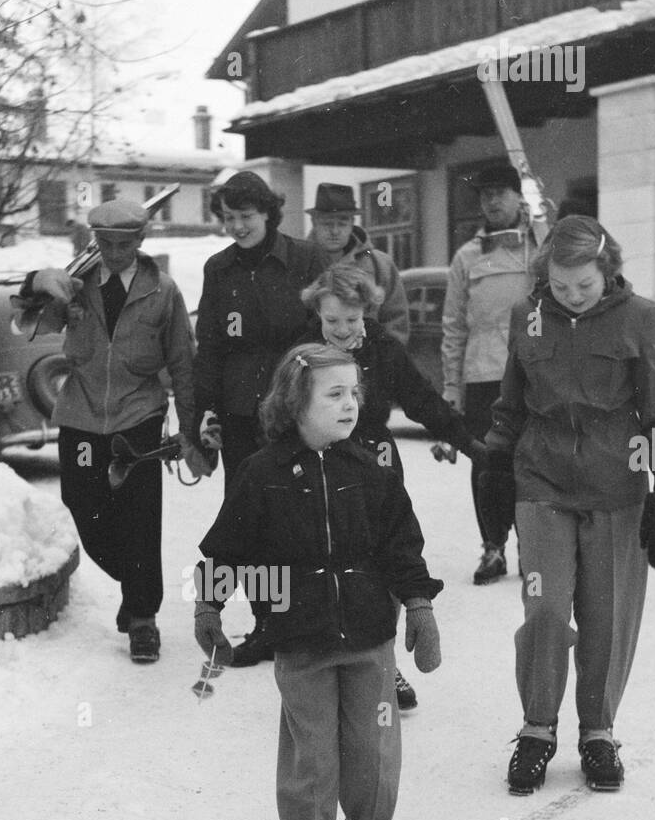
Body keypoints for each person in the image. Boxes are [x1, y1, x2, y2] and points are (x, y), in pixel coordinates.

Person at [194, 344, 444, 820]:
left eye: (354, 392)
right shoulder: (263, 473)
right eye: (334, 394)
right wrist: (209, 604)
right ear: (295, 402)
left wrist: (419, 606)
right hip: (302, 640)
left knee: (373, 749)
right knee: (313, 753)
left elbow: (403, 545)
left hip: (368, 639)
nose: (350, 404)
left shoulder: (371, 470)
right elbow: (228, 547)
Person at [481, 217, 655, 796]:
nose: (570, 297)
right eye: (560, 286)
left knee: (607, 614)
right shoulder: (529, 314)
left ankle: (597, 731)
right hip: (541, 482)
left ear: (608, 271)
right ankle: (537, 729)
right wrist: (496, 463)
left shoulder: (641, 317)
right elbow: (510, 400)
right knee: (545, 607)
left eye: (583, 286)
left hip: (617, 487)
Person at [19, 198, 206, 664]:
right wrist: (38, 281)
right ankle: (137, 584)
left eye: (124, 243)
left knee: (140, 518)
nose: (114, 251)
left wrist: (189, 429)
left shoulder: (163, 292)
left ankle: (143, 619)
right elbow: (23, 321)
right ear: (93, 240)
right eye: (105, 242)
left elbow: (183, 363)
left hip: (138, 419)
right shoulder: (75, 286)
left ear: (141, 241)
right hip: (81, 418)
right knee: (84, 507)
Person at [299, 263, 477, 711]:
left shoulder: (382, 347)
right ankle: (327, 661)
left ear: (367, 311)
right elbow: (280, 410)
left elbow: (420, 399)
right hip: (319, 461)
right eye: (332, 320)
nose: (342, 330)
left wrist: (468, 442)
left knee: (384, 561)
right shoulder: (302, 353)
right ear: (317, 313)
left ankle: (382, 663)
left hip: (375, 463)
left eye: (352, 320)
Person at [192, 170, 327, 667]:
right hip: (240, 414)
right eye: (227, 219)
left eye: (245, 217)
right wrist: (200, 420)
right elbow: (209, 348)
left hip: (294, 408)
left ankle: (307, 619)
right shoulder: (218, 269)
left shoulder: (305, 258)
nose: (237, 227)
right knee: (249, 518)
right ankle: (268, 623)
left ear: (269, 212)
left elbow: (324, 329)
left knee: (302, 514)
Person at [441, 162, 549, 585]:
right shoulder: (467, 257)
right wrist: (452, 387)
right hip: (484, 375)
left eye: (499, 192)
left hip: (532, 372)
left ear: (517, 195)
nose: (491, 201)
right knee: (487, 465)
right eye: (484, 195)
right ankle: (492, 548)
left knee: (532, 462)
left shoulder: (540, 246)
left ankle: (533, 547)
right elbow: (453, 326)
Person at [305, 182, 409, 345]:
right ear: (314, 222)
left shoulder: (380, 264)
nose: (335, 231)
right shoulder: (298, 262)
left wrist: (382, 360)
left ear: (352, 222)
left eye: (342, 223)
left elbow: (396, 323)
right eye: (327, 223)